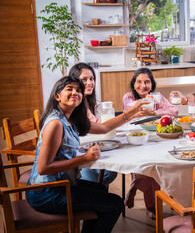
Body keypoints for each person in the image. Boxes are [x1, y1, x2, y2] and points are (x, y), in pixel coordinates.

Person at [26, 76, 148, 233]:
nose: (75, 93)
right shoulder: (55, 124)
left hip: (60, 185)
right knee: (115, 204)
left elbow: (104, 128)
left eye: (78, 90)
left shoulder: (70, 119)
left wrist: (132, 112)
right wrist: (83, 159)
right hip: (46, 192)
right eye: (69, 89)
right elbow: (43, 168)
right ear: (57, 96)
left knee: (101, 190)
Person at [122, 67, 178, 219]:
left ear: (152, 84)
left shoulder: (157, 96)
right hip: (136, 138)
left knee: (158, 164)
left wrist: (155, 112)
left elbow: (174, 110)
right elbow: (131, 110)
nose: (143, 85)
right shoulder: (128, 98)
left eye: (147, 82)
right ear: (133, 84)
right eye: (139, 82)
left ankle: (136, 189)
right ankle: (150, 204)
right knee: (147, 165)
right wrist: (148, 107)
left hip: (157, 138)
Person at [69, 62, 117, 186]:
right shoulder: (76, 104)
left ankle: (97, 195)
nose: (90, 83)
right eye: (84, 79)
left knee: (110, 171)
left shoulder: (86, 100)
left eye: (92, 79)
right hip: (75, 154)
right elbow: (98, 125)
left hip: (86, 145)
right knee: (105, 174)